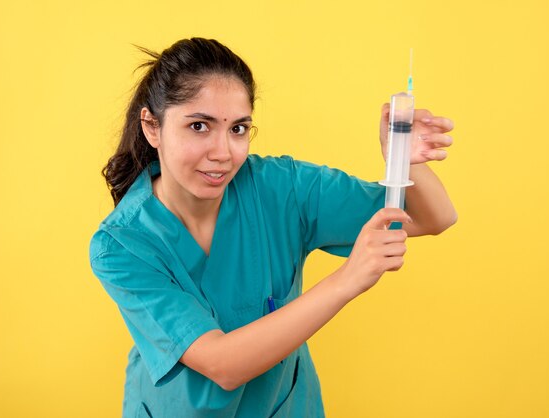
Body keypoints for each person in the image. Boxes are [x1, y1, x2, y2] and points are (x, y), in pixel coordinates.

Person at [89, 37, 457, 418]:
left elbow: (433, 217)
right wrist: (347, 279)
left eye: (238, 129)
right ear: (152, 127)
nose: (223, 152)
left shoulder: (282, 189)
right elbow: (222, 365)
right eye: (199, 126)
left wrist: (405, 161)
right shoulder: (121, 245)